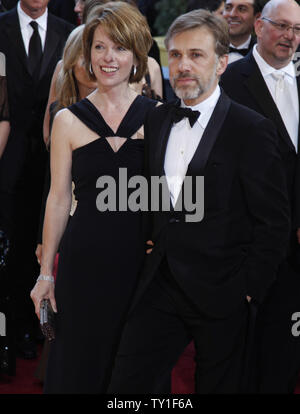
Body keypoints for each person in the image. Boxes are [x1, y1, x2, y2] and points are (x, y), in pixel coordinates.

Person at [107, 9, 290, 394]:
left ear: (222, 62)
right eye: (175, 55)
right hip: (160, 284)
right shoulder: (157, 120)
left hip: (224, 291)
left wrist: (247, 289)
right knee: (127, 385)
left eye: (196, 54)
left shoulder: (251, 129)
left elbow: (273, 223)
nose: (183, 65)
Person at [30, 1, 158, 393]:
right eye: (100, 47)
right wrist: (46, 272)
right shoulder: (68, 119)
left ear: (136, 55)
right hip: (84, 263)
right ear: (87, 53)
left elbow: (168, 196)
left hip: (140, 266)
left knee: (132, 367)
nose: (108, 58)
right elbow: (57, 198)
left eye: (120, 48)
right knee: (78, 365)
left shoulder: (158, 118)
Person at [221, 0, 300, 393]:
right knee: (239, 350)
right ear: (259, 26)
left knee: (283, 347)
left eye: (297, 29)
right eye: (282, 26)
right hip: (245, 240)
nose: (290, 36)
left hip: (294, 243)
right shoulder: (231, 81)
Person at [0, 0, 74, 360]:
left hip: (53, 162)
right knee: (8, 247)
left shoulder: (67, 32)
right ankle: (10, 329)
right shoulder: (1, 27)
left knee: (42, 245)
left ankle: (35, 328)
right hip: (6, 156)